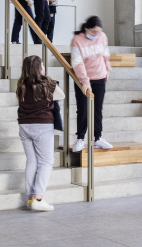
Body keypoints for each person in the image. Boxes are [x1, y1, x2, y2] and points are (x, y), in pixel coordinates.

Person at [15, 55, 60, 211]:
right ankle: (39, 198)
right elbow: (61, 95)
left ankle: (30, 197)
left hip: (24, 126)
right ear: (39, 69)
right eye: (42, 66)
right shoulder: (47, 83)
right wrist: (48, 79)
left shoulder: (21, 84)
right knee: (46, 162)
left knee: (32, 161)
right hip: (42, 125)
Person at [68, 15, 112, 152]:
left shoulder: (102, 37)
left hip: (100, 77)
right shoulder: (77, 40)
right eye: (93, 31)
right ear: (87, 29)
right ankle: (80, 139)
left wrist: (107, 70)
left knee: (97, 109)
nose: (96, 34)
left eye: (98, 31)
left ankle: (97, 138)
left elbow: (105, 55)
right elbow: (77, 62)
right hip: (83, 79)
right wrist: (85, 81)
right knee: (83, 109)